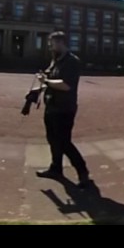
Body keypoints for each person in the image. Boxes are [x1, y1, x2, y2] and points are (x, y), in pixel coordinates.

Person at [35, 31, 91, 189]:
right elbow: (50, 78)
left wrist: (45, 80)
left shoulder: (72, 62)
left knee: (65, 142)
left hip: (65, 109)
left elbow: (66, 85)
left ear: (61, 43)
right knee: (53, 140)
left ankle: (83, 171)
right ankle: (56, 168)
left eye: (52, 43)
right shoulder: (55, 61)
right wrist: (38, 88)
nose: (49, 46)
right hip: (51, 107)